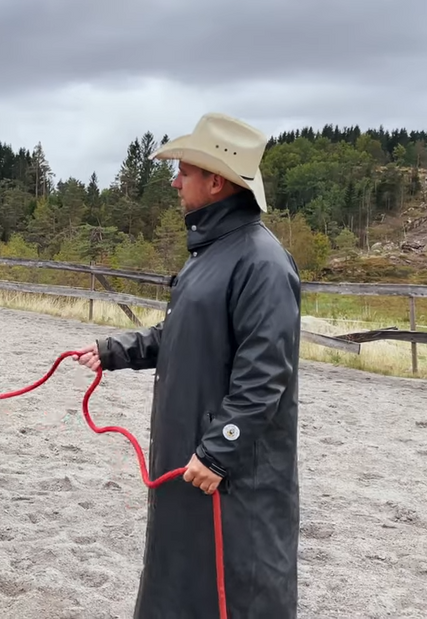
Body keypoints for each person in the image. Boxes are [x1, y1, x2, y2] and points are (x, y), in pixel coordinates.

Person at [76, 112, 301, 618]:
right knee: (178, 585)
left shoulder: (261, 263)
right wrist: (116, 352)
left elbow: (265, 372)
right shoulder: (213, 253)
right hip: (192, 466)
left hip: (231, 481)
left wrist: (222, 450)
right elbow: (182, 335)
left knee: (237, 590)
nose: (175, 181)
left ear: (215, 181)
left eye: (183, 171)